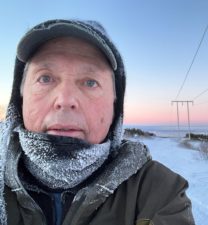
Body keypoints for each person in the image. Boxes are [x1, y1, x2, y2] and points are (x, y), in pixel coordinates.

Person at [0, 19, 195, 225]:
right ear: (19, 97)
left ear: (115, 106)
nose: (65, 100)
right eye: (45, 78)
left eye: (90, 82)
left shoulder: (157, 192)